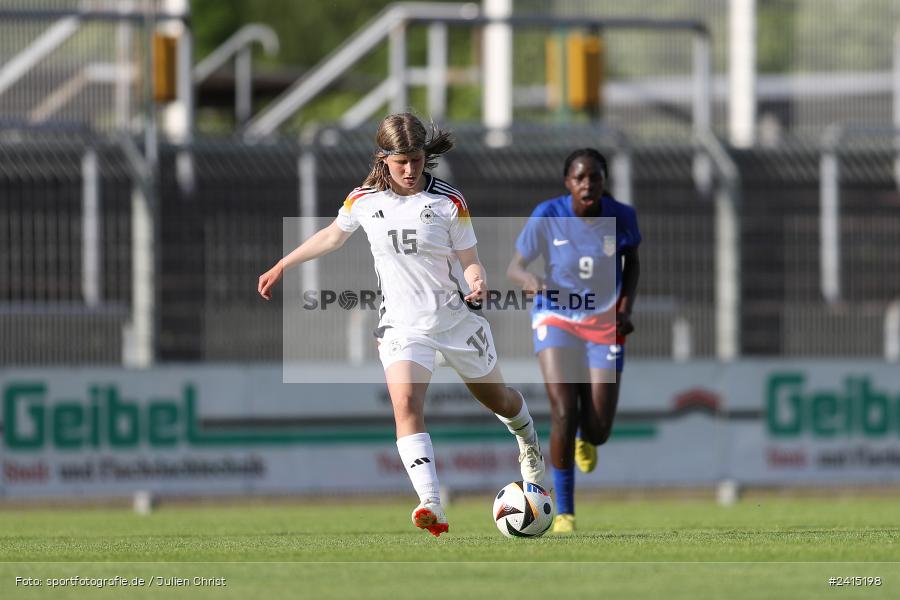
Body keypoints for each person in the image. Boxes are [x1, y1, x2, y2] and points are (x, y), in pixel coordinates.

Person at [258, 113, 545, 538]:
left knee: (497, 399)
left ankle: (528, 442)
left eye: (416, 160)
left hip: (454, 320)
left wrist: (477, 281)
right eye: (400, 162)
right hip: (401, 327)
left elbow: (470, 261)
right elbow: (333, 236)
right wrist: (284, 263)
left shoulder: (449, 202)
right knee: (406, 403)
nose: (410, 170)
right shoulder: (364, 200)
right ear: (383, 159)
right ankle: (431, 503)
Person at [506, 148, 640, 533]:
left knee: (598, 428)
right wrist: (529, 280)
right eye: (579, 178)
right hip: (557, 316)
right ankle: (563, 511)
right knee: (563, 409)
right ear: (568, 182)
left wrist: (625, 310)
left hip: (603, 321)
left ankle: (588, 436)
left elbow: (633, 265)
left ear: (603, 181)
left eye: (594, 177)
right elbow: (515, 266)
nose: (587, 184)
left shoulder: (621, 216)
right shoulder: (548, 214)